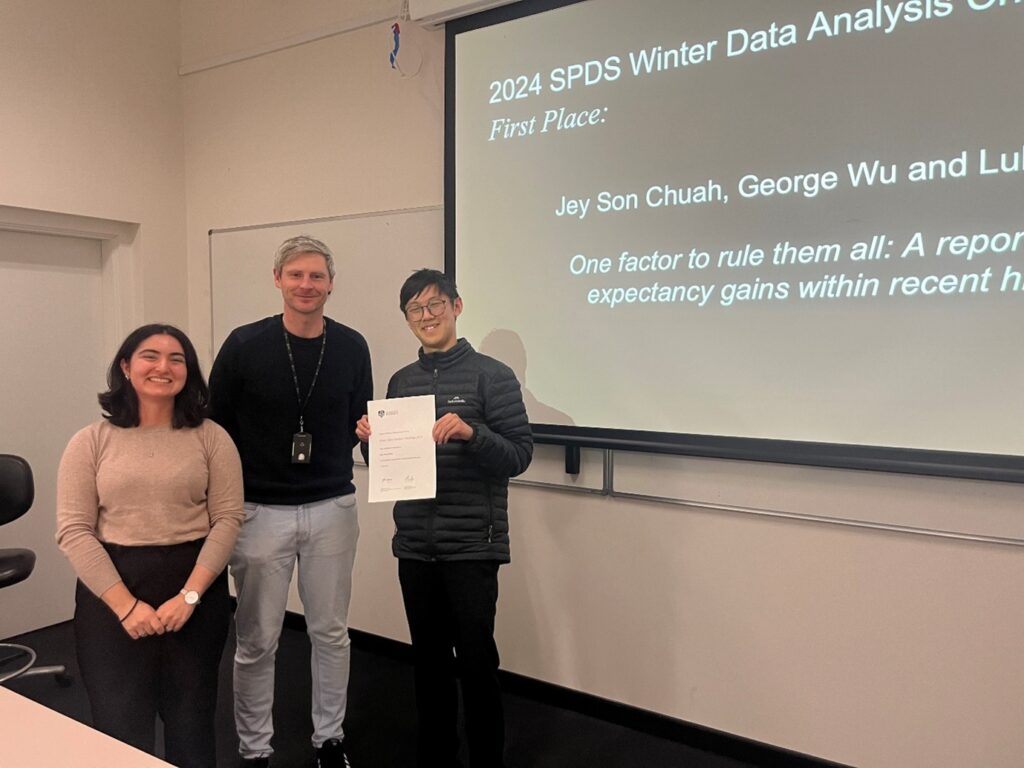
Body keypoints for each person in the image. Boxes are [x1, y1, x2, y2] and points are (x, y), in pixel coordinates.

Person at [356, 268, 533, 768]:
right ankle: (436, 756)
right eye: (415, 309)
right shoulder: (402, 381)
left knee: (477, 666)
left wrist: (472, 434)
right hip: (415, 546)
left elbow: (519, 455)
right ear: (407, 319)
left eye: (435, 305)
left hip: (472, 547)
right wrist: (371, 442)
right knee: (428, 666)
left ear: (457, 307)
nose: (426, 316)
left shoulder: (491, 375)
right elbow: (386, 468)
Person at [209, 235, 372, 768]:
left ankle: (330, 740)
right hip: (259, 512)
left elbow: (358, 422)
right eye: (297, 274)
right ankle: (255, 749)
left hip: (332, 507)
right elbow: (216, 428)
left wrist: (370, 434)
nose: (307, 285)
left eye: (317, 276)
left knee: (331, 633)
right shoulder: (243, 345)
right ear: (277, 279)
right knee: (257, 640)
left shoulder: (352, 346)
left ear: (331, 283)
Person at [56, 324, 244, 768]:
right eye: (150, 356)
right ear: (125, 366)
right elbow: (74, 530)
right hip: (114, 591)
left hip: (195, 587)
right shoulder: (91, 441)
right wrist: (125, 606)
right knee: (119, 724)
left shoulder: (211, 438)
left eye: (176, 358)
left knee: (193, 720)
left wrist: (191, 596)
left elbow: (227, 520)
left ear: (189, 372)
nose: (164, 367)